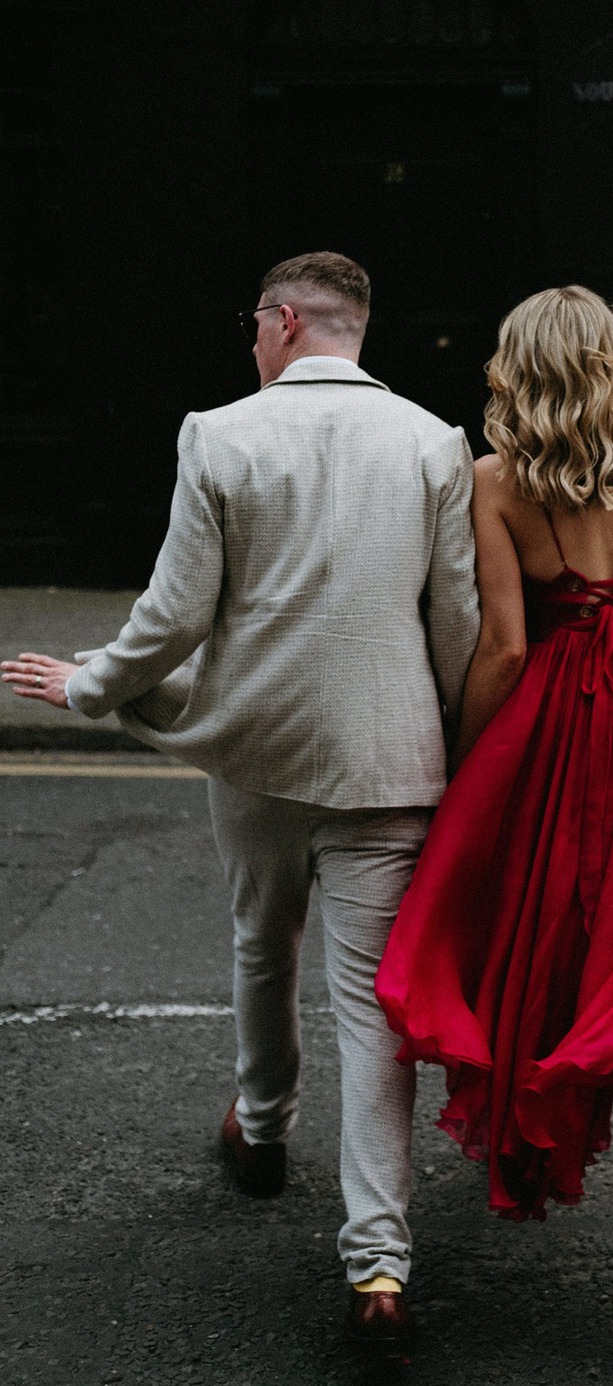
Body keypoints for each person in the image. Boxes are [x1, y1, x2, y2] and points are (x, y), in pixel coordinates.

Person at [1, 251, 479, 1357]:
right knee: (372, 1009)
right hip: (390, 756)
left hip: (258, 748)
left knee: (263, 940)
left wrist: (88, 686)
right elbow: (454, 619)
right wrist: (455, 739)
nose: (250, 344)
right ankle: (377, 1266)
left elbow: (173, 617)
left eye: (253, 326)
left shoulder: (221, 434)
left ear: (283, 322)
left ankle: (262, 1133)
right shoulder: (432, 442)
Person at [375, 285, 613, 1351]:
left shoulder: (497, 483)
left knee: (535, 930)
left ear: (519, 372)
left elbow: (501, 646)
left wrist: (463, 764)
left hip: (555, 728)